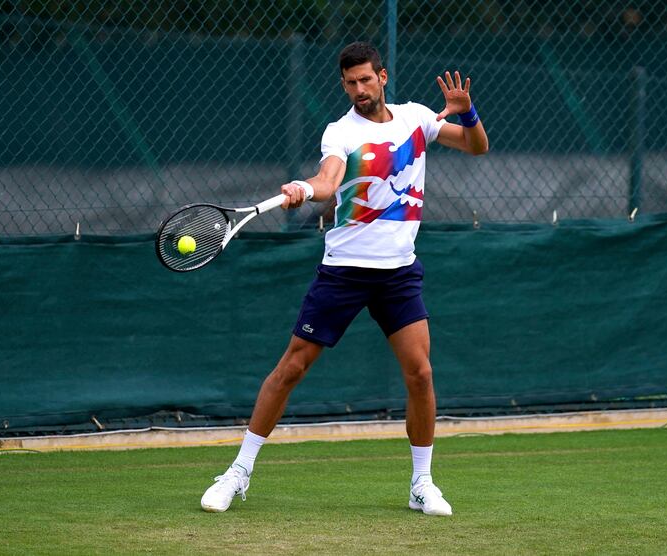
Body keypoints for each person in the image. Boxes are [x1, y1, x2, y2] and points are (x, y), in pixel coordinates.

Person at [201, 41, 489, 516]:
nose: (359, 89)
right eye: (350, 83)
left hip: (399, 272)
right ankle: (237, 473)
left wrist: (467, 112)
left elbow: (477, 147)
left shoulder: (417, 118)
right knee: (291, 367)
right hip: (345, 271)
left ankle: (422, 484)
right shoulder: (340, 132)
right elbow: (329, 182)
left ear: (383, 77)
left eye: (365, 80)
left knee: (420, 374)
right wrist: (305, 188)